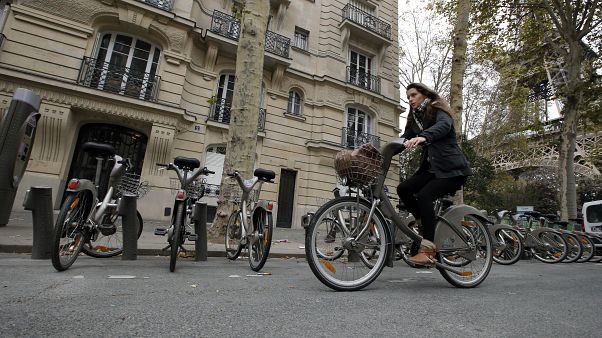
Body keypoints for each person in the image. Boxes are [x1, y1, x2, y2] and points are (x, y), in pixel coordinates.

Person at [397, 83, 473, 265]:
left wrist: (424, 136)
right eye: (408, 97)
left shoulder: (437, 108)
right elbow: (404, 138)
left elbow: (444, 126)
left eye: (413, 95)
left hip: (452, 170)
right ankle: (425, 224)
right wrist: (380, 152)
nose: (410, 99)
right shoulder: (415, 118)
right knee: (404, 189)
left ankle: (429, 251)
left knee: (424, 196)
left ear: (424, 94)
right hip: (433, 171)